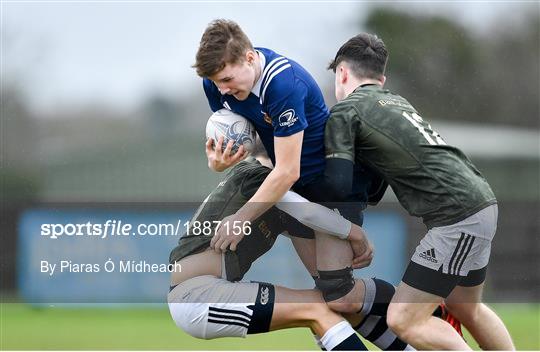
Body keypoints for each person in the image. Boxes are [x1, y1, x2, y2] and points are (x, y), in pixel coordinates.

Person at [323, 33, 514, 350]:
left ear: (342, 73)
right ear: (381, 79)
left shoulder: (346, 112)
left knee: (403, 319)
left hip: (456, 216)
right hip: (480, 199)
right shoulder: (396, 102)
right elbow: (376, 186)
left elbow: (338, 186)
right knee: (466, 307)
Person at [193, 19, 381, 307]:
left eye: (228, 80)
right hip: (294, 192)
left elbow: (287, 170)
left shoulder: (282, 83)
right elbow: (247, 142)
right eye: (217, 82)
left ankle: (416, 310)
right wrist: (219, 163)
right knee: (327, 297)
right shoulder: (216, 84)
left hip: (331, 185)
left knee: (341, 297)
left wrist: (240, 219)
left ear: (249, 58)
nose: (223, 90)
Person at [167, 154, 414, 351]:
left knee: (334, 305)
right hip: (196, 297)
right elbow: (308, 214)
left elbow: (310, 225)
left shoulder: (271, 194)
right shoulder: (259, 177)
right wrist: (355, 234)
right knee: (319, 311)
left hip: (206, 291)